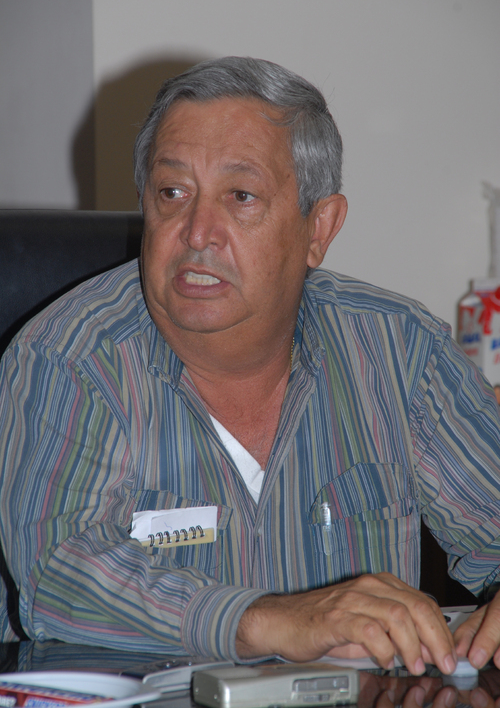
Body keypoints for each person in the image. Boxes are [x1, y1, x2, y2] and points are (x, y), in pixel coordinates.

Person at [1, 57, 500, 676]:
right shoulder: (68, 360)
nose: (197, 233)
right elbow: (57, 578)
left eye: (240, 197)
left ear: (319, 229)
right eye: (172, 193)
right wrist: (268, 620)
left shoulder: (399, 351)